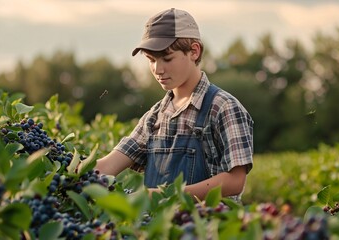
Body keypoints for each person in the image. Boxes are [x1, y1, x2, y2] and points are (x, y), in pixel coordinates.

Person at [95, 8, 253, 201]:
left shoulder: (223, 107)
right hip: (156, 229)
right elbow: (107, 166)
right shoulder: (155, 116)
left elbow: (235, 181)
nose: (158, 69)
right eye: (151, 60)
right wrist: (67, 171)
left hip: (206, 227)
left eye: (167, 59)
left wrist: (164, 196)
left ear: (194, 51)